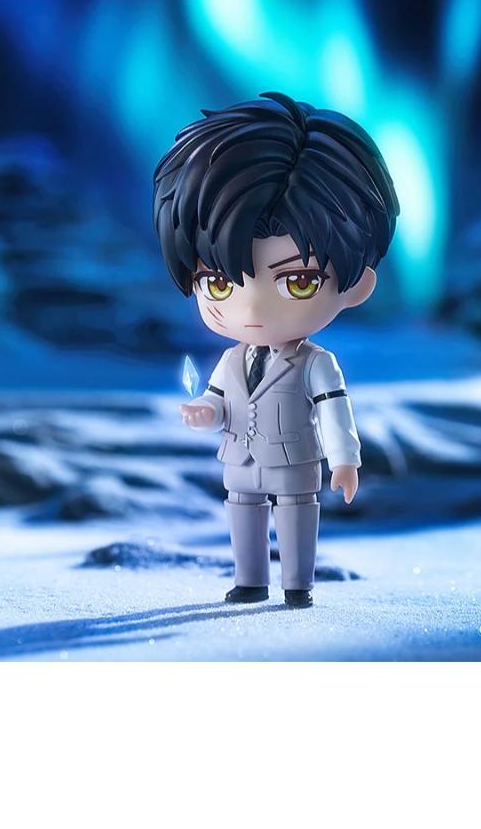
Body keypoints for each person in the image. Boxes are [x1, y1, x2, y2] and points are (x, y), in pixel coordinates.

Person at [153, 92, 399, 608]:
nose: (252, 308)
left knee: (295, 515)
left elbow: (334, 411)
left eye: (299, 282)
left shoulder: (317, 364)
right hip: (240, 458)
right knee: (242, 512)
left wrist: (345, 459)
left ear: (356, 286)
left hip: (294, 460)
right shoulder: (230, 360)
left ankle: (297, 584)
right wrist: (206, 411)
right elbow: (220, 397)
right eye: (219, 283)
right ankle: (249, 580)